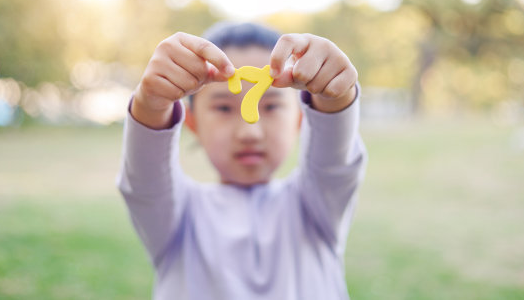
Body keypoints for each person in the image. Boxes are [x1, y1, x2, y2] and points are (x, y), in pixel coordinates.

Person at [117, 22, 367, 299]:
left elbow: (335, 161)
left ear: (299, 118)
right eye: (223, 108)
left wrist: (334, 93)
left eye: (271, 106)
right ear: (192, 121)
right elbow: (145, 179)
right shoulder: (175, 218)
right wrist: (151, 105)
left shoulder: (318, 205)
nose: (250, 131)